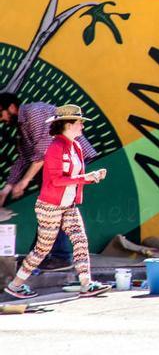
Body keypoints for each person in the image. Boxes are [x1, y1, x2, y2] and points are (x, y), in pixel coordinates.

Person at [4, 104, 110, 299]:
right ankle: (15, 285)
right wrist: (87, 178)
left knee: (80, 240)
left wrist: (90, 176)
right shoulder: (54, 148)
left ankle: (86, 284)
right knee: (41, 250)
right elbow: (56, 181)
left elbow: (73, 176)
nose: (82, 127)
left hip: (68, 206)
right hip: (50, 207)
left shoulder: (76, 146)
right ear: (68, 125)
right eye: (79, 123)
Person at [0, 92, 97, 271]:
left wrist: (24, 182)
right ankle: (40, 256)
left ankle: (60, 257)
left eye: (1, 114)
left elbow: (43, 153)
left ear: (12, 108)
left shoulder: (34, 113)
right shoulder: (23, 127)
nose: (2, 119)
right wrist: (7, 188)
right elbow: (23, 159)